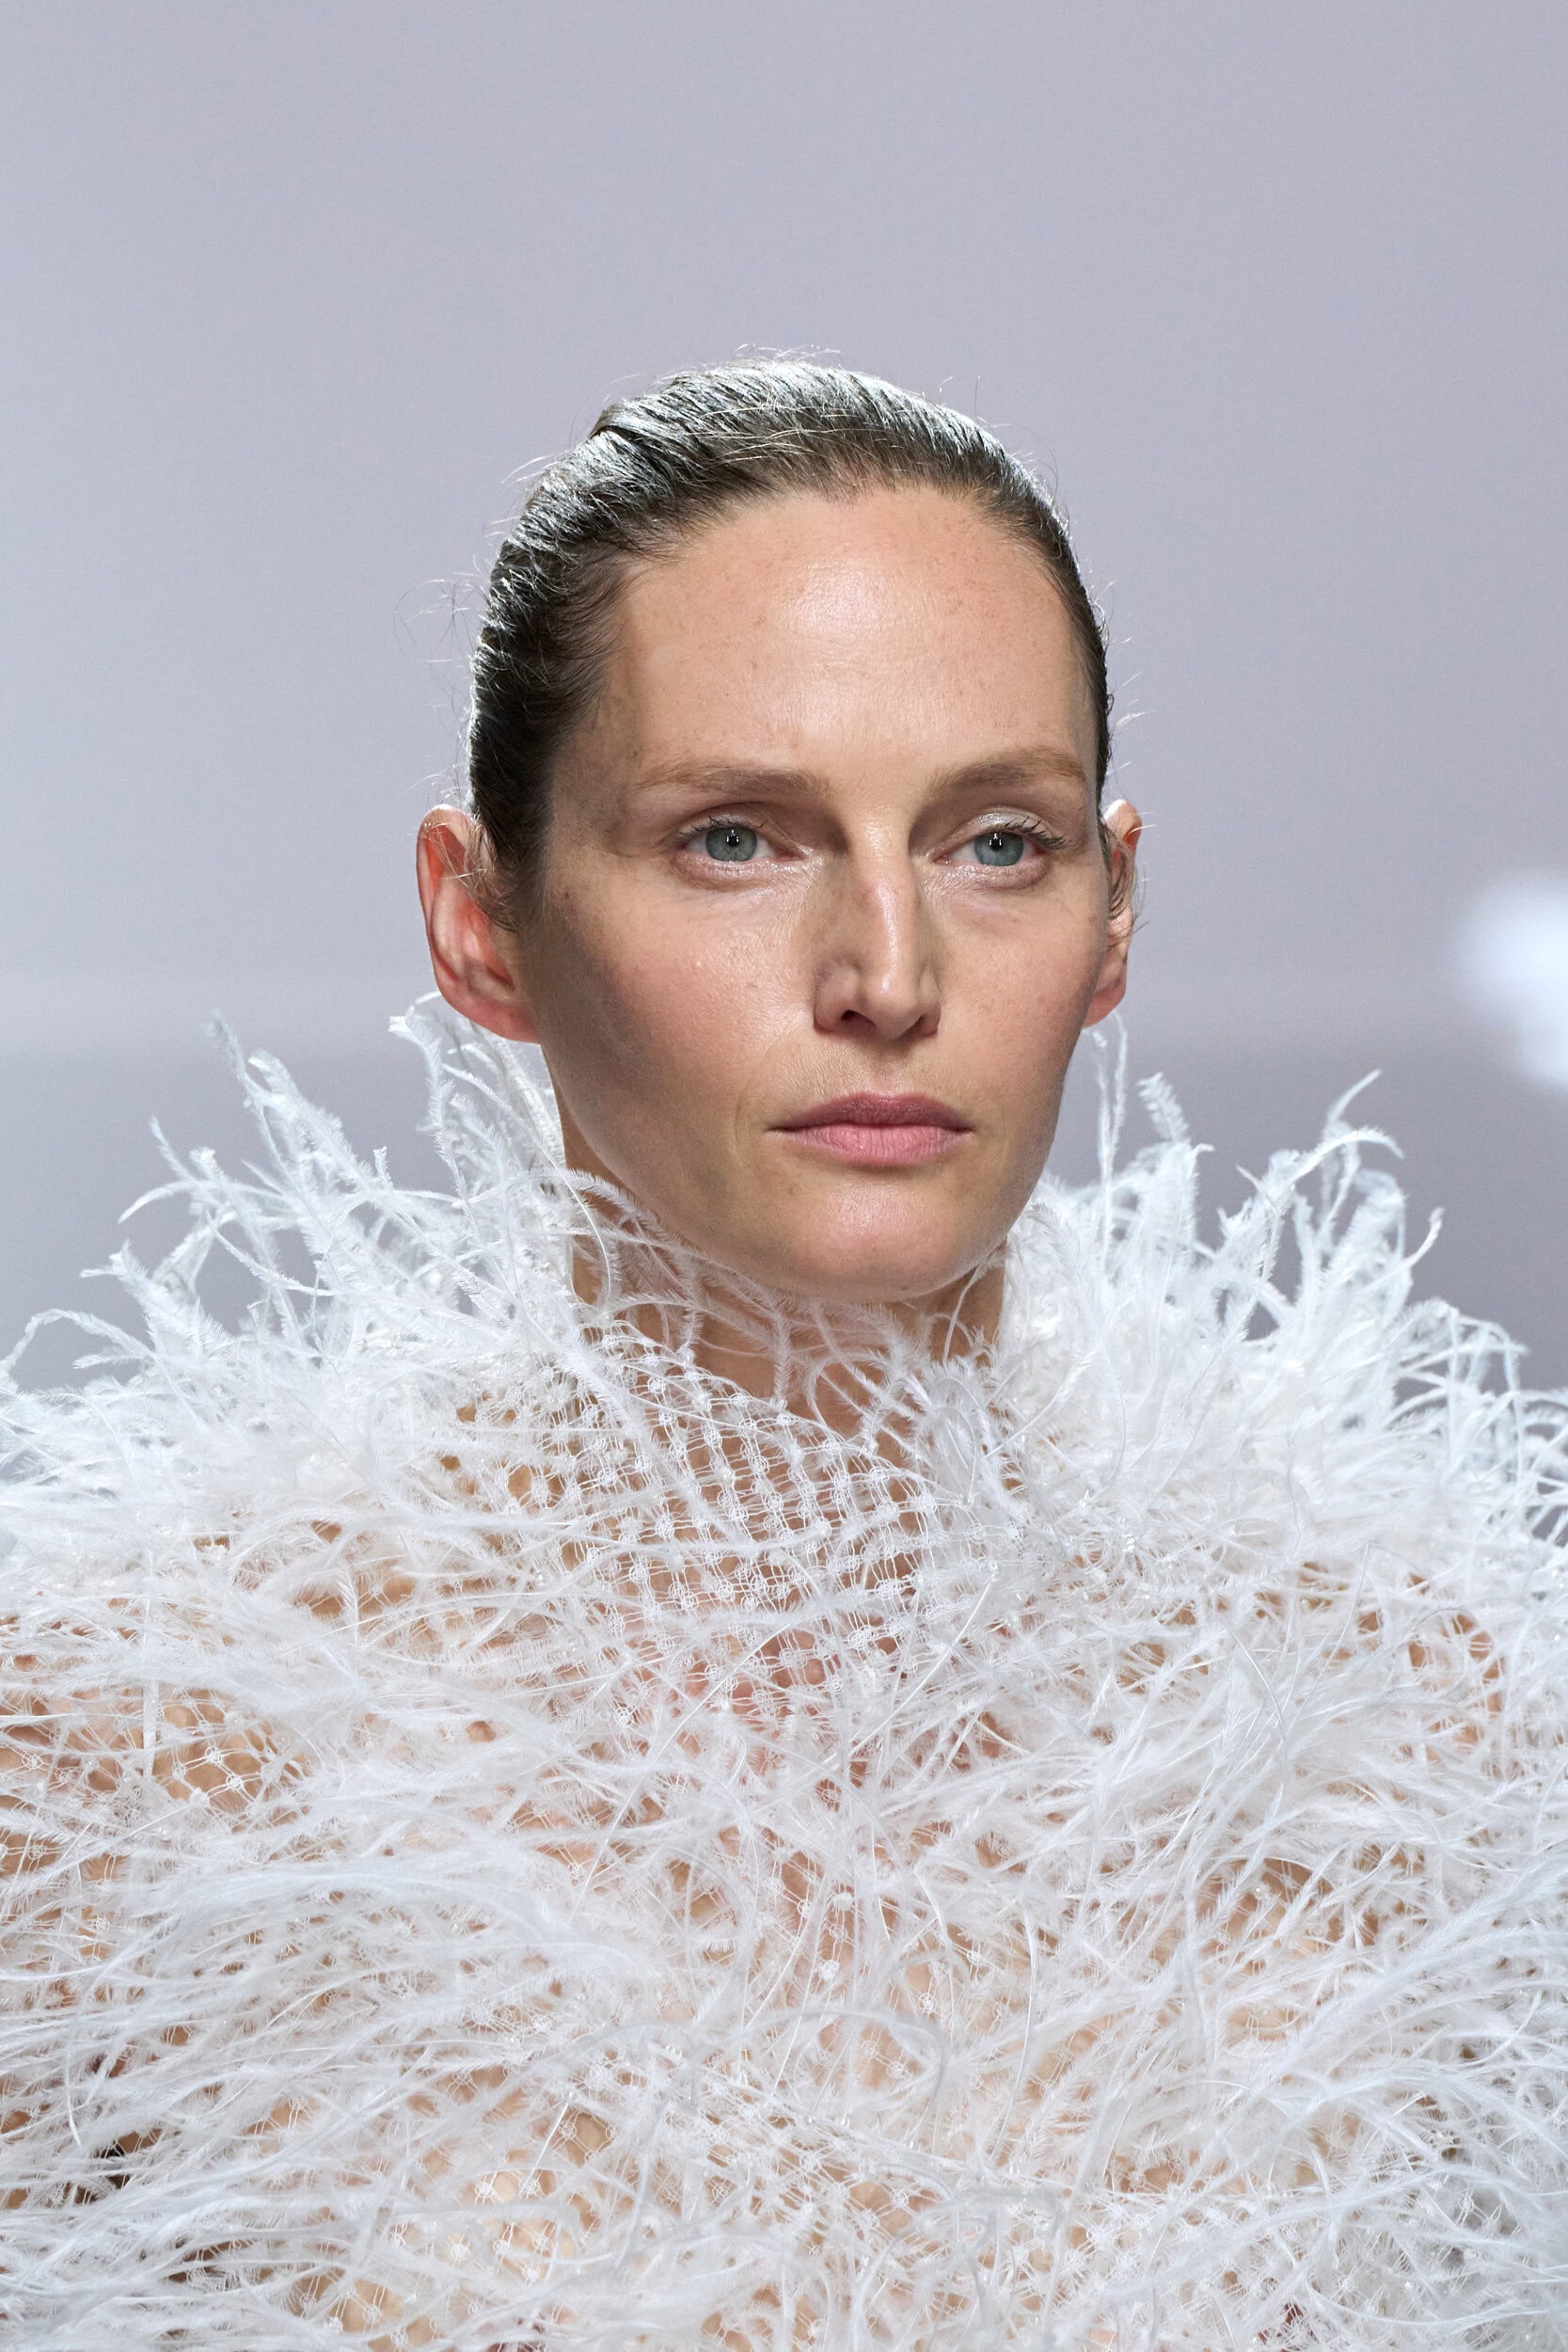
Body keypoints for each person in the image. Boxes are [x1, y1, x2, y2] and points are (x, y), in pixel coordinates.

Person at [2, 362, 1564, 2350]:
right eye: (737, 837)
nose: (889, 976)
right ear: (481, 922)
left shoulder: (1435, 1733)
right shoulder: (125, 1760)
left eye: (998, 842)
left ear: (1114, 914)